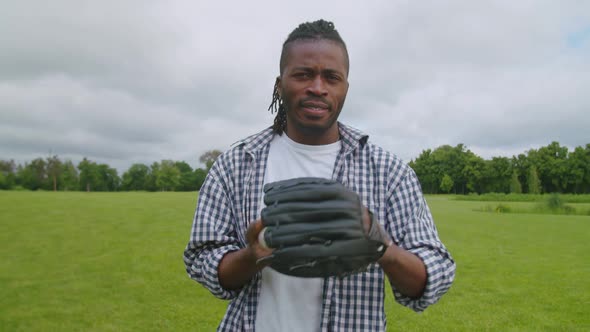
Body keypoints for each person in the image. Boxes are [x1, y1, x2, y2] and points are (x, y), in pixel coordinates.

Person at [183, 19, 455, 331]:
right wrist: (253, 256)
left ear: (346, 88)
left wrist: (381, 246)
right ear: (279, 83)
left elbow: (436, 275)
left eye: (331, 77)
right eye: (303, 74)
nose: (317, 87)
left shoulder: (388, 171)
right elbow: (203, 260)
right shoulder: (236, 164)